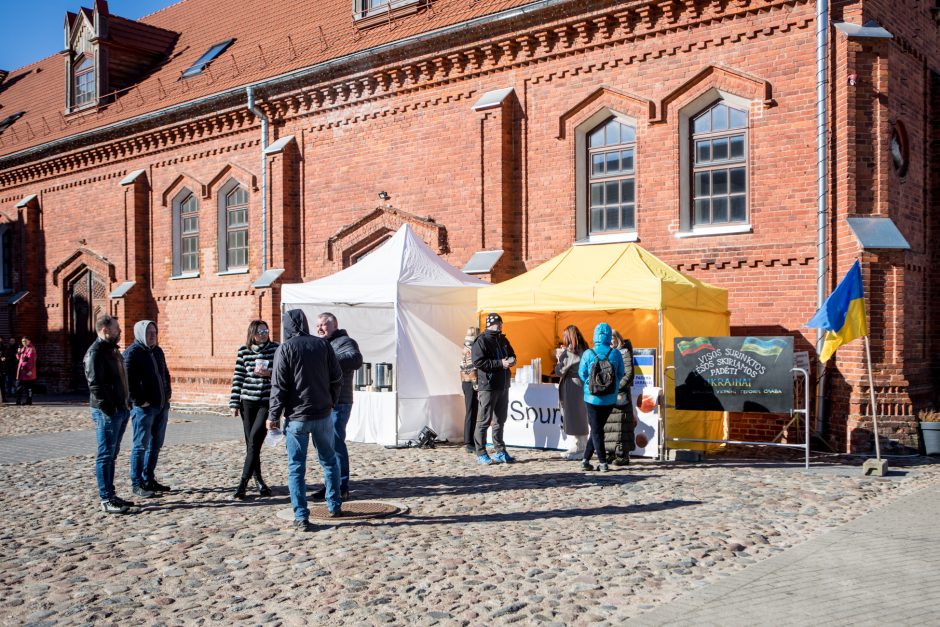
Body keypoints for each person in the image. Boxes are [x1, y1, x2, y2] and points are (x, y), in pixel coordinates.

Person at [268, 309, 344, 532]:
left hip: (297, 417)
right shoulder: (322, 345)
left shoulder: (285, 348)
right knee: (329, 461)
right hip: (322, 414)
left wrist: (273, 415)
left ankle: (301, 515)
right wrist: (331, 401)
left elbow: (279, 385)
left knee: (296, 468)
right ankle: (334, 504)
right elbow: (337, 377)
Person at [84, 314, 135, 514]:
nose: (120, 331)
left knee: (112, 454)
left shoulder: (112, 350)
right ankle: (106, 498)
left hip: (121, 409)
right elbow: (95, 384)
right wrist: (110, 408)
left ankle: (111, 494)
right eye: (116, 328)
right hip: (107, 412)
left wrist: (125, 404)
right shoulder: (95, 352)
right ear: (105, 330)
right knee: (105, 455)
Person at [311, 312, 362, 502]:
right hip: (324, 402)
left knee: (336, 443)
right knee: (324, 444)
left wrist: (328, 361)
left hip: (340, 402)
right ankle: (330, 485)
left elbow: (355, 359)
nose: (320, 328)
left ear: (334, 325)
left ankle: (342, 486)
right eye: (318, 325)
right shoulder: (323, 343)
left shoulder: (344, 341)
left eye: (323, 325)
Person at [229, 319, 279, 499]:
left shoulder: (275, 349)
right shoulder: (244, 351)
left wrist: (269, 373)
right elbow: (238, 377)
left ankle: (242, 483)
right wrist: (234, 403)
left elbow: (282, 373)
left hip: (266, 402)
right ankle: (259, 482)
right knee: (252, 444)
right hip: (247, 402)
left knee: (255, 440)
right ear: (252, 333)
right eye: (260, 332)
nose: (264, 334)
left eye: (266, 331)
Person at [123, 320, 173, 498]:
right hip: (144, 408)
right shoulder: (132, 353)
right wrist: (139, 400)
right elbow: (127, 380)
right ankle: (137, 483)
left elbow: (164, 373)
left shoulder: (157, 351)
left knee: (155, 445)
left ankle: (149, 478)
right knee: (140, 446)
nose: (152, 335)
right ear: (140, 334)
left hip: (160, 405)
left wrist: (167, 393)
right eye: (149, 332)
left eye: (154, 332)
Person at [578, 322, 625, 472]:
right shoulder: (615, 354)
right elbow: (620, 373)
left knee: (597, 429)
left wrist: (588, 383)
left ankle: (603, 462)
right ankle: (585, 460)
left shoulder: (588, 353)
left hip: (591, 397)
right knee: (597, 428)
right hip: (610, 398)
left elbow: (582, 373)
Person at [471, 313, 516, 465]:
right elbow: (479, 362)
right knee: (484, 421)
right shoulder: (481, 340)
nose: (500, 326)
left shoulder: (502, 339)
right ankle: (481, 452)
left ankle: (500, 450)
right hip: (488, 386)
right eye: (498, 323)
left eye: (501, 323)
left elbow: (512, 354)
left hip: (503, 385)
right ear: (490, 324)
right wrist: (499, 364)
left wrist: (512, 360)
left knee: (500, 420)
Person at [555, 325, 589, 461]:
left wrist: (559, 357)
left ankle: (580, 448)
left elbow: (559, 371)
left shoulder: (570, 352)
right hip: (581, 384)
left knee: (575, 416)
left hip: (573, 386)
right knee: (580, 415)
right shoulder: (584, 348)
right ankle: (579, 446)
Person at [605, 330, 636, 466]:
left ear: (618, 338)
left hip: (620, 395)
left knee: (622, 427)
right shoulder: (607, 353)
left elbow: (629, 374)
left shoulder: (625, 353)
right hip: (609, 395)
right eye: (609, 338)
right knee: (609, 426)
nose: (611, 341)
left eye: (613, 338)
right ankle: (610, 453)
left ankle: (623, 455)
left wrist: (616, 387)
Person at [459, 327, 479, 453]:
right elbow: (471, 367)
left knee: (471, 411)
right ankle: (469, 442)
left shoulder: (466, 347)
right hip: (470, 382)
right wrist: (476, 383)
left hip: (466, 382)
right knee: (471, 412)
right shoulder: (471, 348)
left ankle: (470, 440)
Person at [15, 336, 37, 405]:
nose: (23, 343)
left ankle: (29, 401)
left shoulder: (31, 349)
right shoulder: (23, 348)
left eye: (25, 341)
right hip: (21, 371)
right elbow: (19, 358)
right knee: (19, 386)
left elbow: (31, 361)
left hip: (27, 372)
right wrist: (18, 353)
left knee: (28, 388)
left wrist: (29, 370)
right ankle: (18, 401)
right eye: (22, 341)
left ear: (29, 341)